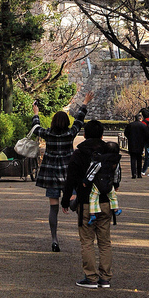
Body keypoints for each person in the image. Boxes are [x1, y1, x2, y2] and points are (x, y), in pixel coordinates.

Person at [32, 91, 94, 252]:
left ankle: (54, 239)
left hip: (51, 175)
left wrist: (36, 113)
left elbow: (36, 127)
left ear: (53, 122)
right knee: (76, 198)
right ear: (66, 122)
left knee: (53, 208)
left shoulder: (48, 134)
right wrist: (85, 102)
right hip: (69, 174)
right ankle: (72, 205)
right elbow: (79, 120)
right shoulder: (70, 133)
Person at [61, 119, 120, 289]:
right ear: (102, 135)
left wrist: (66, 201)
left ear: (84, 135)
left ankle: (91, 277)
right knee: (105, 241)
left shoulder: (79, 154)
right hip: (106, 202)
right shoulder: (110, 153)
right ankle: (105, 278)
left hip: (86, 202)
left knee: (87, 241)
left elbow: (70, 179)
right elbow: (116, 180)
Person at [84, 141, 121, 225]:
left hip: (97, 184)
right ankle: (115, 209)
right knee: (113, 196)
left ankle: (92, 214)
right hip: (109, 184)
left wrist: (86, 181)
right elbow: (117, 175)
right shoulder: (115, 164)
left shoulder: (100, 162)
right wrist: (116, 184)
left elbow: (92, 172)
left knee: (93, 198)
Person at [124, 113, 148, 178]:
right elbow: (146, 135)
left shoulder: (130, 125)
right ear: (140, 118)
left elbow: (126, 133)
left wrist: (130, 138)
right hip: (140, 144)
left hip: (132, 143)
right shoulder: (143, 126)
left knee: (133, 159)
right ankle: (139, 174)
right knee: (139, 159)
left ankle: (133, 174)